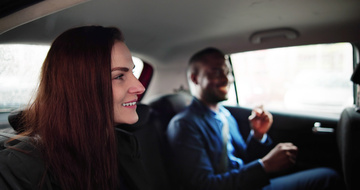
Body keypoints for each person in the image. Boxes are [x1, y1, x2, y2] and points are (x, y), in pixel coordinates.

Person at [166, 47, 343, 190]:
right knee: (327, 179)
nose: (227, 79)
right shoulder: (184, 125)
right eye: (217, 72)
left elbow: (243, 159)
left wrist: (257, 135)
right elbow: (203, 185)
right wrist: (265, 166)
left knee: (326, 175)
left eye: (227, 72)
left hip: (247, 183)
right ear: (195, 78)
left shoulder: (224, 114)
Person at [0, 26, 149, 190]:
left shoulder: (125, 143)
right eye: (119, 76)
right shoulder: (18, 168)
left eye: (132, 73)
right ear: (79, 87)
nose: (140, 87)